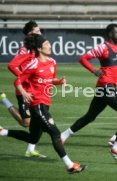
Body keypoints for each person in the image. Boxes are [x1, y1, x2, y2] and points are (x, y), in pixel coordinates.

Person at [0, 34, 86, 173]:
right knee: (56, 133)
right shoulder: (33, 64)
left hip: (46, 104)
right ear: (40, 48)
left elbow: (50, 79)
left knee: (33, 138)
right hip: (37, 106)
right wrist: (23, 92)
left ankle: (3, 132)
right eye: (47, 44)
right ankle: (70, 165)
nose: (50, 46)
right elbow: (18, 81)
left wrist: (59, 82)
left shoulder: (52, 62)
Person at [60, 24, 117, 164]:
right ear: (110, 34)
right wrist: (94, 70)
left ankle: (63, 136)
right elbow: (83, 59)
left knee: (90, 116)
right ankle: (115, 146)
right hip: (106, 87)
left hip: (106, 88)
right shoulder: (103, 48)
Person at [6, 20, 42, 128]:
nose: (40, 33)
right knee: (26, 123)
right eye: (38, 31)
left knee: (39, 117)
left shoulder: (35, 47)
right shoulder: (25, 50)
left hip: (34, 88)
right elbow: (12, 65)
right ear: (30, 34)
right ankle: (4, 100)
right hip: (24, 89)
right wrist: (23, 78)